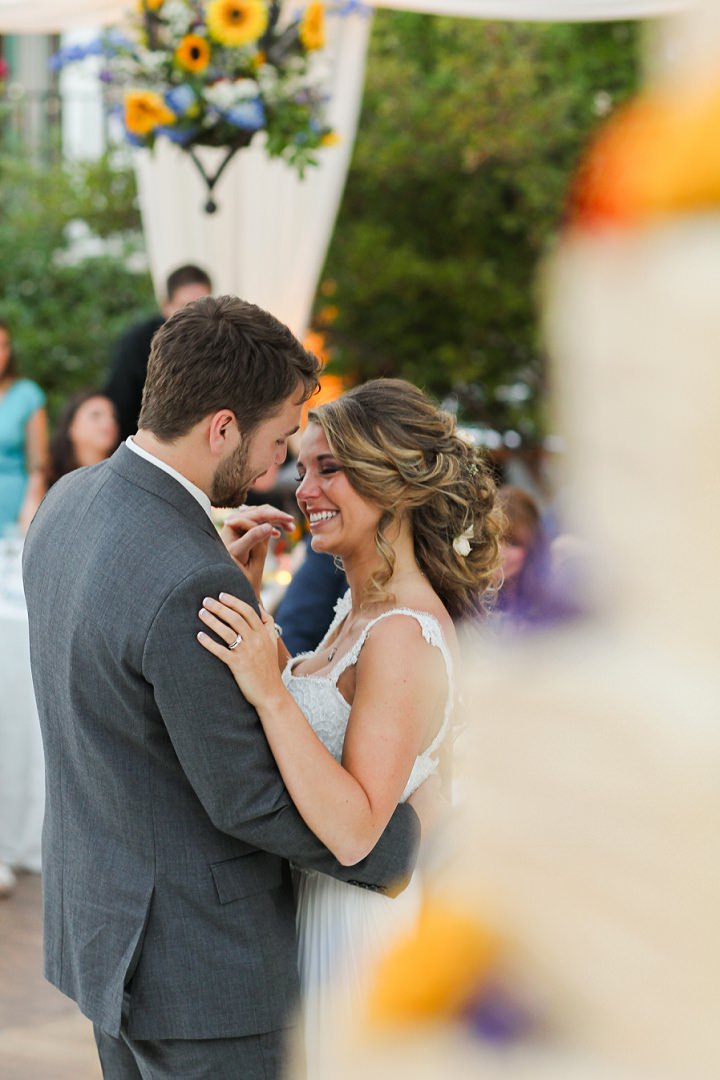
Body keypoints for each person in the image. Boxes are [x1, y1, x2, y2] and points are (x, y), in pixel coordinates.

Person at [22, 297, 420, 1080]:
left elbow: (128, 719)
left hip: (103, 935)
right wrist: (396, 848)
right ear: (223, 427)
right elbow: (247, 798)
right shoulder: (187, 576)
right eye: (277, 442)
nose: (275, 471)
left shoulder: (66, 503)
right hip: (202, 969)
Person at [196, 378, 504, 1068]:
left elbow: (357, 825)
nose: (304, 489)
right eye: (302, 466)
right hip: (312, 914)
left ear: (391, 480)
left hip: (353, 939)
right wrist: (254, 613)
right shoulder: (358, 610)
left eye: (328, 468)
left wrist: (271, 694)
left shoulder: (401, 633)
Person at [104, 263, 212, 440]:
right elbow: (120, 403)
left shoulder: (223, 342)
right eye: (185, 306)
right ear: (166, 307)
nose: (196, 315)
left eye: (203, 305)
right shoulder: (137, 342)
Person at [0, 319, 48, 536]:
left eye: (3, 346)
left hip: (15, 505)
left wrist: (29, 515)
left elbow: (37, 466)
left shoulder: (27, 394)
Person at [47, 389, 120, 487]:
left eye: (113, 417)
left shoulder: (122, 476)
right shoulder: (47, 475)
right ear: (71, 426)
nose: (109, 422)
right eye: (96, 415)